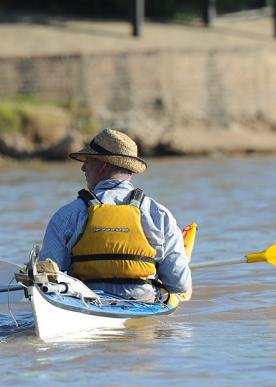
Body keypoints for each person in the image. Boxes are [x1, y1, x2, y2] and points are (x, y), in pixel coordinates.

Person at [38, 128, 191, 302]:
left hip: (86, 304)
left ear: (103, 165)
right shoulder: (159, 215)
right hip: (144, 304)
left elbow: (48, 278)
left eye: (87, 161)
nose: (83, 168)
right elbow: (179, 285)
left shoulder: (67, 215)